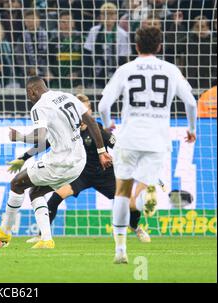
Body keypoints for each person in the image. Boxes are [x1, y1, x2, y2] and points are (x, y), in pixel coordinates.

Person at [98, 26, 197, 264]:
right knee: (140, 190)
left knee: (121, 191)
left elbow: (103, 105)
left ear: (136, 45)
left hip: (129, 139)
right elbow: (191, 103)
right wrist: (191, 130)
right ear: (160, 46)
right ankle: (138, 207)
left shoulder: (126, 69)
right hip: (157, 142)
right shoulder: (170, 69)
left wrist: (108, 123)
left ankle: (120, 249)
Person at [0, 77, 113, 249]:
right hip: (79, 163)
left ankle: (4, 231)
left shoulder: (39, 107)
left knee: (17, 184)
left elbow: (40, 137)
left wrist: (19, 137)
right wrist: (102, 152)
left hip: (59, 163)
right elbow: (92, 122)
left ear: (31, 91)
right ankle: (46, 240)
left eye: (28, 95)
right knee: (35, 192)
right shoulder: (67, 97)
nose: (29, 98)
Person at [7, 94, 151, 243]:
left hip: (104, 174)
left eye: (86, 110)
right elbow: (45, 144)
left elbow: (120, 148)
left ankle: (136, 228)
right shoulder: (67, 131)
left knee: (131, 204)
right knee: (55, 197)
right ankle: (42, 235)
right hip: (80, 174)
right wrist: (23, 158)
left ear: (88, 112)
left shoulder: (98, 130)